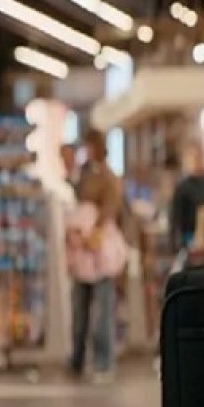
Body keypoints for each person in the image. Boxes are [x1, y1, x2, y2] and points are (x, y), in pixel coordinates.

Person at [67, 129, 124, 384]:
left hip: (98, 247)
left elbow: (111, 207)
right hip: (83, 248)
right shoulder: (84, 174)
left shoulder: (107, 177)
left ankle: (103, 361)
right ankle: (78, 358)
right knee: (80, 310)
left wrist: (95, 229)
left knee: (102, 312)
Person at [169, 141, 204, 254]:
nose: (194, 161)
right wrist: (178, 246)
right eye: (190, 157)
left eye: (197, 157)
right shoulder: (182, 189)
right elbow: (176, 221)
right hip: (188, 243)